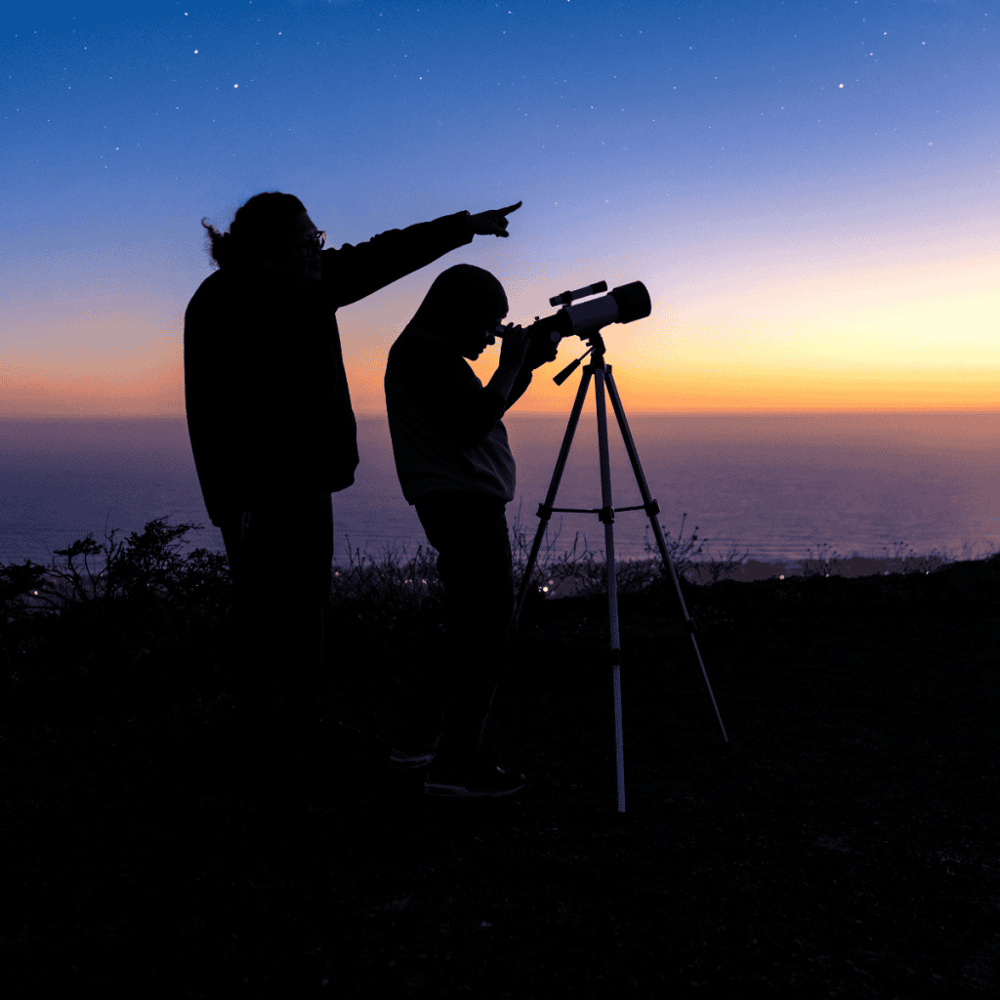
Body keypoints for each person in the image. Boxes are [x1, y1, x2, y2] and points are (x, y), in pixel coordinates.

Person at [183, 193, 523, 780]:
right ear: (265, 252)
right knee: (263, 612)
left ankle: (302, 726)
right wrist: (231, 500)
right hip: (256, 492)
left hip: (310, 479)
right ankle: (262, 743)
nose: (321, 251)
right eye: (306, 242)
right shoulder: (222, 305)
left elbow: (380, 255)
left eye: (317, 239)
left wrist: (461, 227)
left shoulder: (309, 284)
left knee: (309, 604)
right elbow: (214, 417)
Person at [383, 263, 559, 797]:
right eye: (488, 323)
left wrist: (521, 369)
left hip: (459, 503)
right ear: (456, 310)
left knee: (464, 628)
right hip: (463, 506)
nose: (491, 336)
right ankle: (456, 763)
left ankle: (415, 744)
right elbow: (468, 424)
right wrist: (511, 367)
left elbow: (479, 411)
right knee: (485, 633)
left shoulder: (429, 352)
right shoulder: (421, 352)